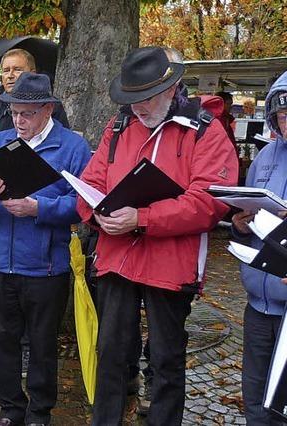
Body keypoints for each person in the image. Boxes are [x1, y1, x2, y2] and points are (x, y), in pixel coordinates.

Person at [77, 46, 238, 425]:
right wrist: (99, 216)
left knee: (166, 359)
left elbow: (210, 202)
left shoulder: (203, 130)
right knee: (112, 353)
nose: (138, 108)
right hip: (118, 257)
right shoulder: (118, 126)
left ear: (172, 88)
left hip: (170, 263)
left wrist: (143, 218)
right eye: (132, 99)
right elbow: (89, 184)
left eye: (146, 98)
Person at [0, 72, 91, 426]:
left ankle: (39, 412)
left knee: (42, 346)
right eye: (15, 113)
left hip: (45, 268)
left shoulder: (72, 147)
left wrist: (39, 208)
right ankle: (10, 410)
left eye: (27, 114)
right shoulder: (1, 142)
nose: (19, 121)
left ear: (48, 109)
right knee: (2, 342)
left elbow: (82, 205)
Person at [0, 47, 70, 368]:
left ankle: (34, 390)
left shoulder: (65, 133)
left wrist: (40, 208)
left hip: (42, 255)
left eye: (17, 69)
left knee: (37, 328)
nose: (9, 75)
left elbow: (77, 198)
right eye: (5, 69)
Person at [231, 71, 287, 425]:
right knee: (254, 397)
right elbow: (248, 219)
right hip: (258, 304)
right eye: (282, 116)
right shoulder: (265, 158)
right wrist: (240, 224)